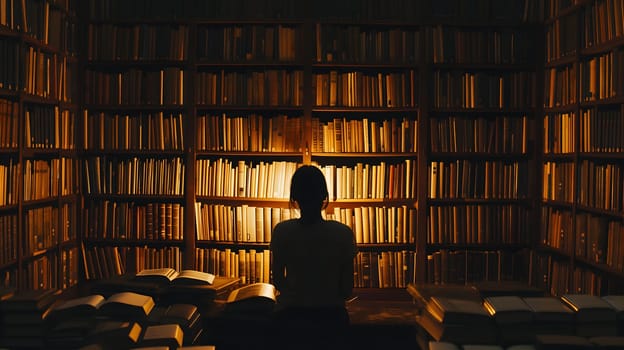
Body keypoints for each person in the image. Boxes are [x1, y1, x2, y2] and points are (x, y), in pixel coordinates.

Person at [270, 165, 357, 348]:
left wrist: (299, 294)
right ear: (324, 196)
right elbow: (347, 288)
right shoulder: (343, 233)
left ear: (295, 197)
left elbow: (277, 280)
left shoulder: (282, 231)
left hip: (290, 320)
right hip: (332, 321)